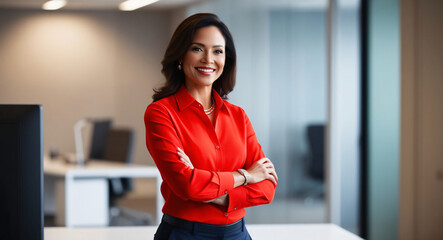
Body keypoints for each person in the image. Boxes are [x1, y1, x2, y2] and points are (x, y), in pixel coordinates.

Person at [144, 13, 278, 240]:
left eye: (217, 51)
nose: (208, 59)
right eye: (197, 49)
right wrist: (246, 176)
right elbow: (186, 185)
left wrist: (208, 192)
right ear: (180, 56)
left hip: (237, 233)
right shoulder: (161, 113)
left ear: (226, 60)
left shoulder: (238, 116)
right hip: (185, 233)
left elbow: (266, 188)